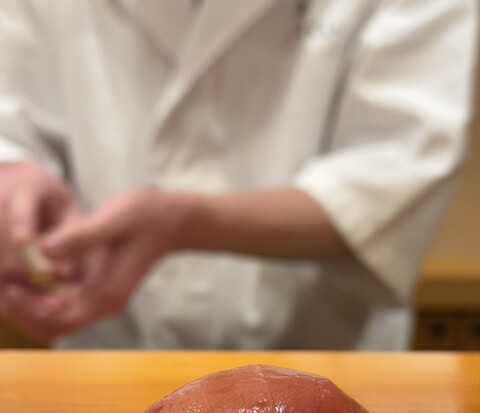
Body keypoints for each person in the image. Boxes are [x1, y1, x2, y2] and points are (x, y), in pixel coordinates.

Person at [0, 0, 477, 350]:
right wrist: (15, 178)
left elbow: (392, 177)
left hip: (325, 354)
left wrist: (186, 222)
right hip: (103, 353)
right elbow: (11, 120)